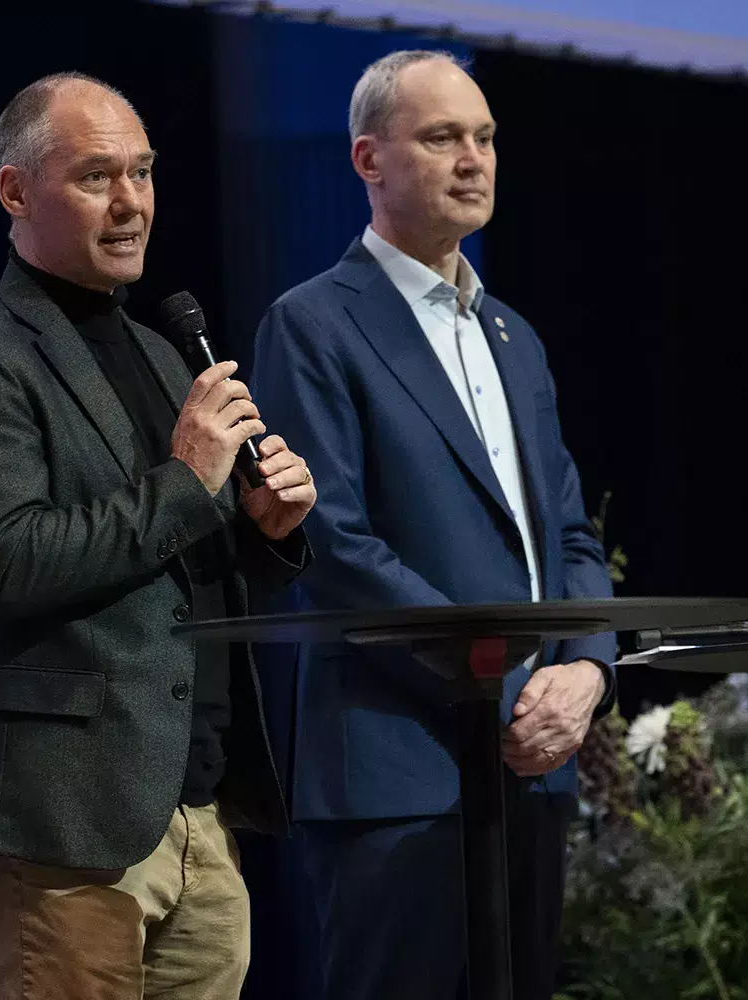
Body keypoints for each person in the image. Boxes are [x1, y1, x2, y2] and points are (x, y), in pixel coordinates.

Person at [0, 72, 315, 1000]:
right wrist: (186, 483)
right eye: (97, 176)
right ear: (17, 192)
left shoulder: (164, 350)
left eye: (142, 172)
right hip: (66, 818)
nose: (131, 202)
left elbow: (174, 567)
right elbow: (6, 564)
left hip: (194, 809)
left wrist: (261, 529)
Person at [249, 50, 615, 1000]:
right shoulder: (314, 324)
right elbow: (333, 544)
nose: (473, 158)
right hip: (399, 774)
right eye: (442, 137)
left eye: (485, 137)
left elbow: (570, 536)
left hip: (533, 767)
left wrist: (586, 671)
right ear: (369, 159)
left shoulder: (515, 337)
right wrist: (501, 690)